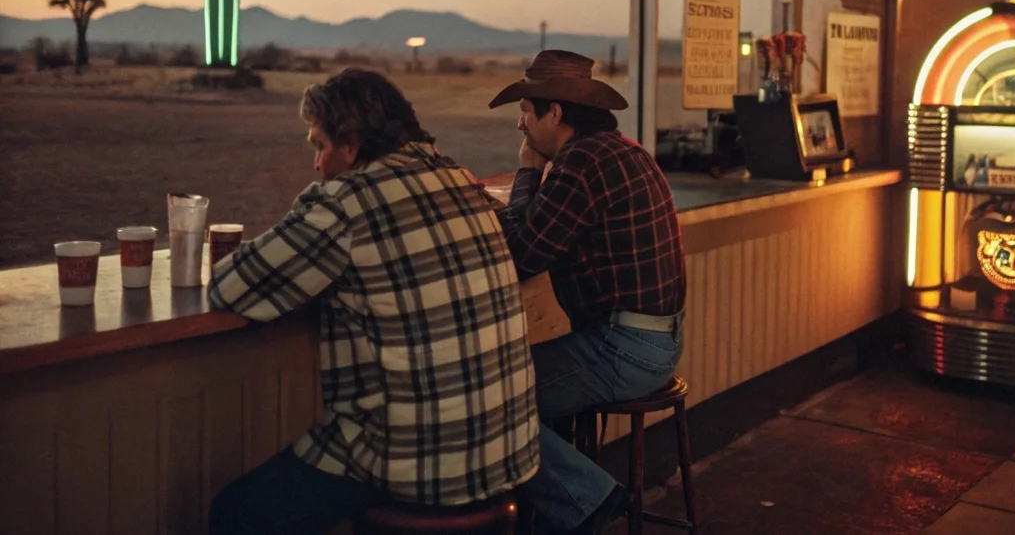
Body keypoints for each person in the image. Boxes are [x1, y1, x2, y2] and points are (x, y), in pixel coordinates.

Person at [207, 68, 539, 535]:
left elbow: (233, 287)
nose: (317, 164)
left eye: (320, 146)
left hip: (413, 468)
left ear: (350, 144)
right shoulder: (462, 181)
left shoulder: (348, 203)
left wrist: (318, 200)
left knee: (237, 512)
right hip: (508, 458)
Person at [487, 50, 686, 535]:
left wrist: (527, 172)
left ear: (554, 113)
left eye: (526, 111)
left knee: (489, 398)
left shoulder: (582, 162)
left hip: (628, 350)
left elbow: (522, 255)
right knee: (517, 387)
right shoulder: (620, 150)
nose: (520, 124)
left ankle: (586, 501)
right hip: (655, 340)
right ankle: (564, 511)